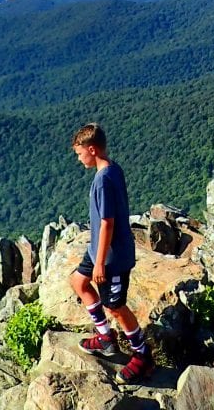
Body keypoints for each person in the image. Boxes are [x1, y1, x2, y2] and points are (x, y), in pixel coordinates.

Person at [70, 122, 154, 384]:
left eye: (79, 153)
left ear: (92, 149)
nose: (78, 158)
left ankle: (142, 355)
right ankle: (106, 338)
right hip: (97, 250)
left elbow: (108, 222)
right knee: (77, 282)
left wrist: (100, 263)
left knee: (115, 306)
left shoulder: (104, 180)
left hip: (111, 257)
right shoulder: (112, 169)